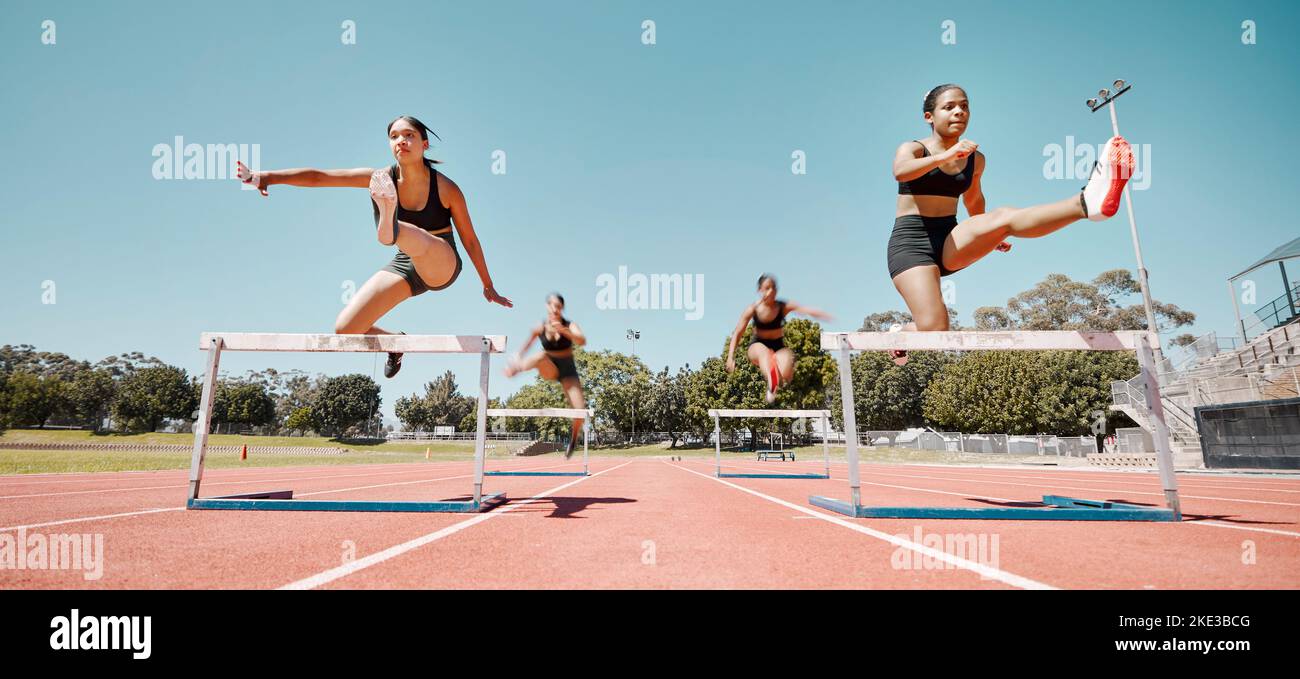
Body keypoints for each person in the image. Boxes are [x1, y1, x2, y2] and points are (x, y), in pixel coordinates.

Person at [235, 115, 512, 378]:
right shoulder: (381, 177)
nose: (401, 140)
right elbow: (322, 177)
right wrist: (266, 176)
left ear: (424, 144)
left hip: (442, 260)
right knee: (346, 329)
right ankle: (394, 342)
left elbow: (470, 240)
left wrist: (488, 284)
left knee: (417, 238)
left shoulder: (446, 188)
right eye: (394, 136)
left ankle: (390, 226)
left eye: (409, 135)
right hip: (406, 264)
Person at [886, 84, 1134, 364]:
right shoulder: (913, 148)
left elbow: (974, 201)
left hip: (949, 237)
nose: (959, 111)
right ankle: (900, 334)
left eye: (964, 106)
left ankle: (1086, 203)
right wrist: (947, 155)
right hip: (911, 245)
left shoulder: (975, 159)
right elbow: (900, 171)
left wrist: (988, 233)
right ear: (929, 117)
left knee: (1003, 217)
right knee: (934, 330)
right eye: (949, 107)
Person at [503, 293, 588, 457]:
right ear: (547, 306)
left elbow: (582, 340)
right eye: (552, 305)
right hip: (550, 367)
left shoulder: (569, 325)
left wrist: (564, 331)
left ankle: (573, 440)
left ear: (562, 308)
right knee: (541, 356)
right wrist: (516, 360)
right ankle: (516, 370)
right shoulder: (540, 327)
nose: (555, 309)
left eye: (558, 306)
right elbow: (526, 346)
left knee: (579, 411)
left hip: (568, 370)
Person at [726, 274, 833, 403]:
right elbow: (738, 332)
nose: (771, 291)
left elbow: (804, 309)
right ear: (760, 290)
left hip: (778, 346)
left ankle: (776, 379)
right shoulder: (753, 309)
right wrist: (730, 356)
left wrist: (824, 315)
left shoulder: (782, 306)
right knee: (763, 352)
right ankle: (772, 382)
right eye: (766, 288)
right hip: (757, 345)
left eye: (773, 288)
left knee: (787, 366)